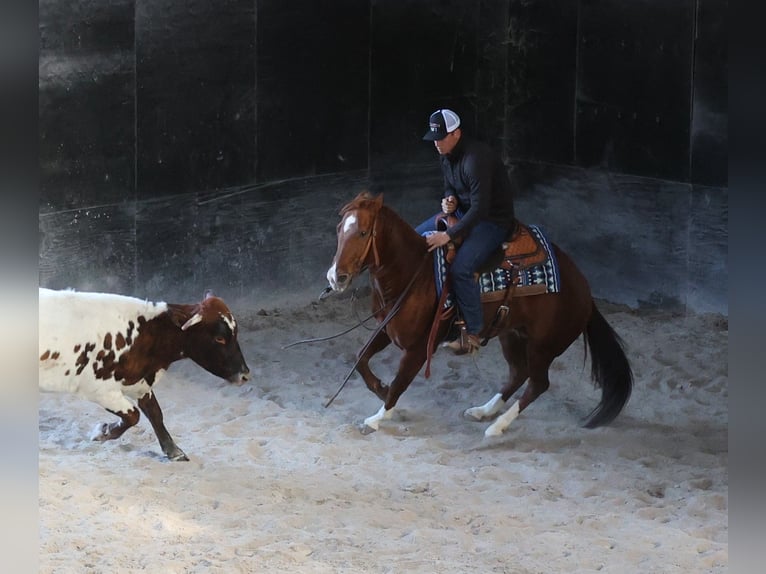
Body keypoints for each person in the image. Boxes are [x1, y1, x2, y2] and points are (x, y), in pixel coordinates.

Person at [417, 108, 516, 355]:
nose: (436, 143)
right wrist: (449, 200)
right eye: (434, 138)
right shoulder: (446, 153)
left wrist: (447, 235)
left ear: (457, 133)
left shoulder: (476, 158)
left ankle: (473, 331)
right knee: (415, 238)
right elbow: (450, 184)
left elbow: (481, 209)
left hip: (492, 221)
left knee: (462, 268)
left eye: (441, 137)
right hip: (464, 213)